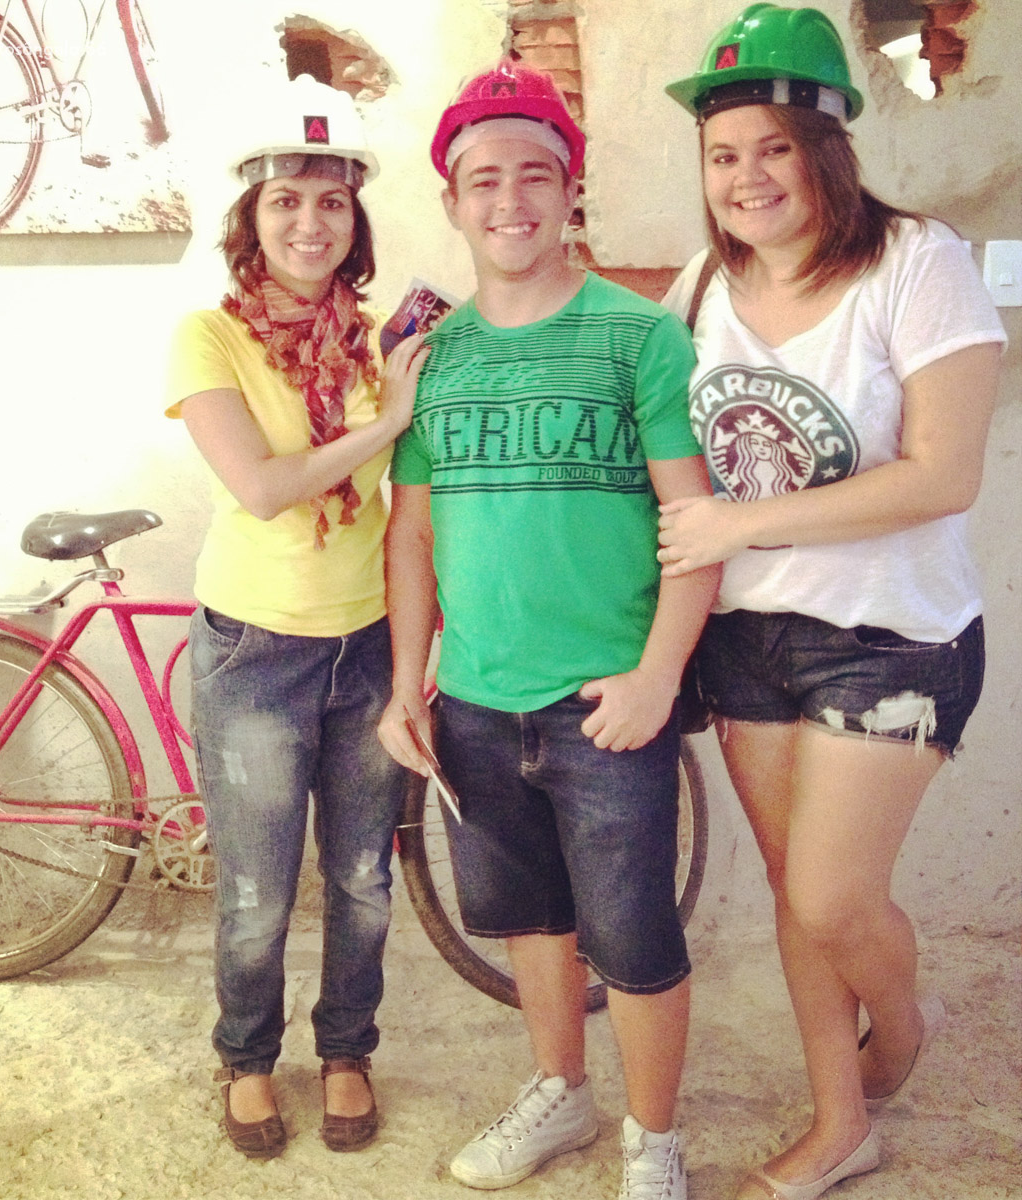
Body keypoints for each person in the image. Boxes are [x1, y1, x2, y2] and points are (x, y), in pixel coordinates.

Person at [660, 6, 1006, 1199]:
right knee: (795, 901)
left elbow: (943, 474)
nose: (746, 176)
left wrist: (739, 524)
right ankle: (840, 1123)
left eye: (773, 147)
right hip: (747, 637)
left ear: (827, 148)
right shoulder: (702, 285)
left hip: (890, 637)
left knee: (831, 894)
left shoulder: (917, 262)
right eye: (723, 154)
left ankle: (899, 1030)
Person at [378, 60, 720, 1200]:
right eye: (483, 180)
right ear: (451, 200)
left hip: (606, 704)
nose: (510, 200)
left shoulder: (640, 338)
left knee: (636, 941)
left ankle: (654, 1141)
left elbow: (695, 527)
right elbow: (411, 534)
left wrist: (657, 677)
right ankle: (561, 1092)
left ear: (572, 190)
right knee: (530, 920)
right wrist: (409, 684)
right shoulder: (432, 357)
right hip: (477, 700)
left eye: (535, 175)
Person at [165, 75, 428, 1159]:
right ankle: (246, 1059)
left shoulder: (380, 339)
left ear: (355, 217)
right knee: (259, 893)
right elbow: (265, 486)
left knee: (363, 881)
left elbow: (417, 500)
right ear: (251, 216)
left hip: (367, 646)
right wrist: (391, 418)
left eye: (331, 201)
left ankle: (348, 1049)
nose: (310, 223)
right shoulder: (208, 338)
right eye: (286, 201)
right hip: (256, 651)